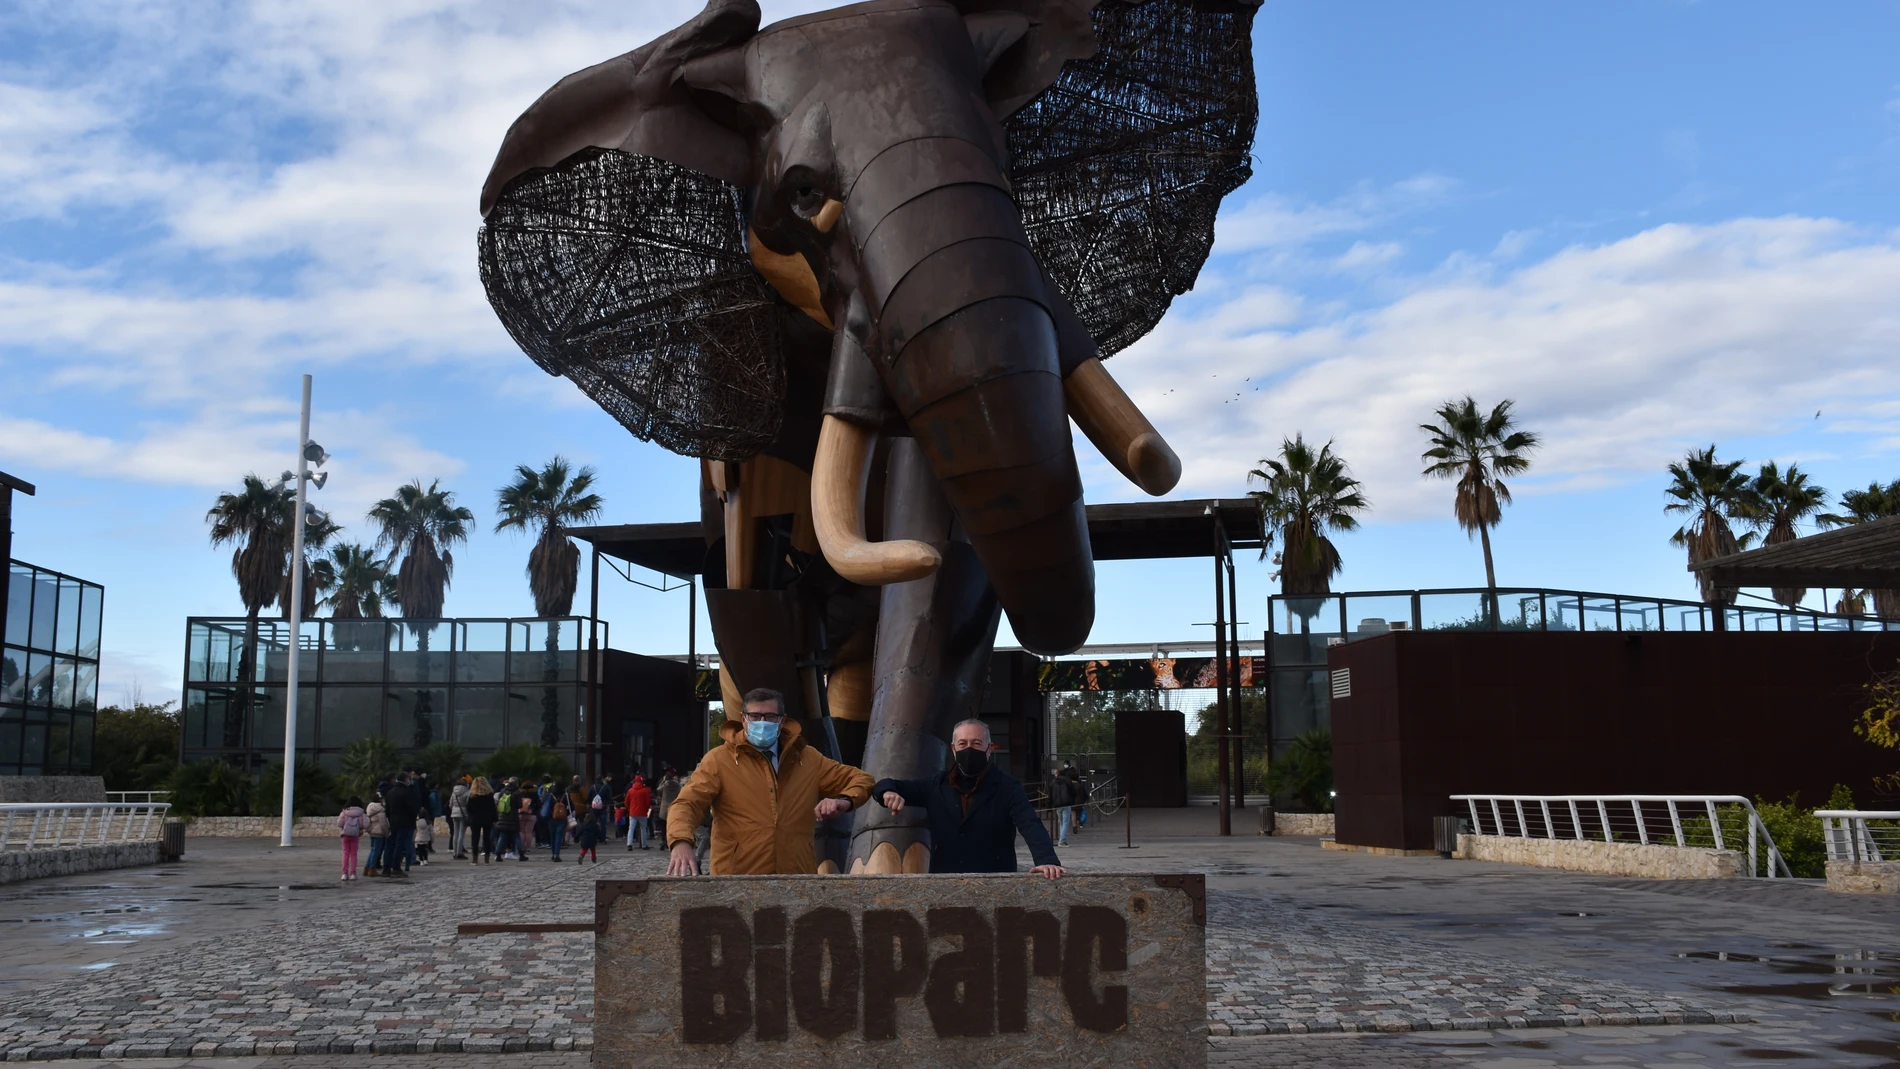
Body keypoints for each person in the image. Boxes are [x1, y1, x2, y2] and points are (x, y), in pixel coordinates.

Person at [666, 687, 874, 876]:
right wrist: (681, 841)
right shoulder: (719, 760)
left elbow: (861, 779)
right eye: (755, 716)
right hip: (737, 878)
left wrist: (845, 800)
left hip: (796, 875)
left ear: (782, 720)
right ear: (743, 718)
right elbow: (688, 802)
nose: (762, 722)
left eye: (770, 716)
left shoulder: (807, 758)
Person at [874, 719, 1066, 878]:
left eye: (976, 743)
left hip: (995, 883)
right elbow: (886, 784)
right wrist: (887, 792)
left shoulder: (1008, 787)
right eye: (963, 743)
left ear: (989, 748)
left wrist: (1046, 860)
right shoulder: (935, 785)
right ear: (953, 749)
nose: (969, 749)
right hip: (945, 883)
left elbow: (1030, 824)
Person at [382, 772, 419, 878]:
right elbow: (412, 808)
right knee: (400, 845)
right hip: (405, 822)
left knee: (390, 845)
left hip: (393, 822)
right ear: (406, 779)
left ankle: (386, 868)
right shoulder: (408, 792)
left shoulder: (390, 792)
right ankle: (396, 868)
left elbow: (387, 810)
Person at [466, 776, 499, 863]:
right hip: (487, 819)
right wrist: (495, 819)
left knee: (475, 839)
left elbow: (469, 808)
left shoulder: (473, 796)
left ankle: (475, 859)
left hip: (475, 819)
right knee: (487, 838)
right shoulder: (489, 795)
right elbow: (493, 808)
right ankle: (486, 859)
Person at [336, 796, 367, 881]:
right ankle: (353, 873)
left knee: (345, 853)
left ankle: (344, 874)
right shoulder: (361, 813)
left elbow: (339, 823)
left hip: (345, 835)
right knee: (354, 854)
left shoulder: (345, 812)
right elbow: (366, 824)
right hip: (355, 835)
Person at [363, 793, 391, 877]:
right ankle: (372, 869)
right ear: (379, 799)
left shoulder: (370, 807)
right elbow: (383, 823)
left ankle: (367, 868)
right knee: (376, 851)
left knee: (372, 850)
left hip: (371, 831)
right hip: (379, 832)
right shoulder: (380, 809)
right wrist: (387, 833)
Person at [625, 775, 653, 851]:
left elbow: (626, 802)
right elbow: (647, 802)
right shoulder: (645, 790)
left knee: (631, 829)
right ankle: (644, 845)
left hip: (633, 812)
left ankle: (629, 844)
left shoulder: (630, 790)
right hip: (643, 812)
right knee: (643, 829)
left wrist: (629, 809)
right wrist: (647, 809)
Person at [1049, 766, 1075, 847]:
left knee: (1061, 822)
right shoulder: (1068, 781)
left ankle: (1062, 839)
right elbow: (1073, 792)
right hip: (1066, 803)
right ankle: (1062, 840)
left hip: (1057, 804)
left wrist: (1050, 805)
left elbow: (1050, 795)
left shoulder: (1053, 782)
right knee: (1066, 822)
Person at [575, 797, 605, 864]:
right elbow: (598, 833)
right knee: (593, 850)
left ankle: (581, 855)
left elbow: (579, 832)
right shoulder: (594, 825)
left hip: (584, 839)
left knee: (584, 849)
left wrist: (576, 838)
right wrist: (601, 839)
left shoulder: (584, 825)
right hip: (592, 840)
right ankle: (593, 859)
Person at [449, 776, 470, 859]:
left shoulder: (454, 792)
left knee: (455, 833)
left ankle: (454, 852)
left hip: (454, 813)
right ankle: (459, 852)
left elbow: (450, 804)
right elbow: (468, 804)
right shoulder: (467, 792)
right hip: (463, 813)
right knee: (461, 833)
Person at [516, 788, 537, 861]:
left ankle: (521, 847)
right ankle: (527, 847)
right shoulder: (534, 795)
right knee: (529, 832)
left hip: (521, 815)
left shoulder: (520, 794)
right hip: (531, 815)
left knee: (521, 831)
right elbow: (539, 804)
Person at [549, 789, 569, 862]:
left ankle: (553, 854)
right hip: (562, 819)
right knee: (559, 836)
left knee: (553, 837)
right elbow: (571, 806)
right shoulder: (565, 795)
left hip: (551, 818)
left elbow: (546, 805)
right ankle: (557, 854)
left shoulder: (550, 795)